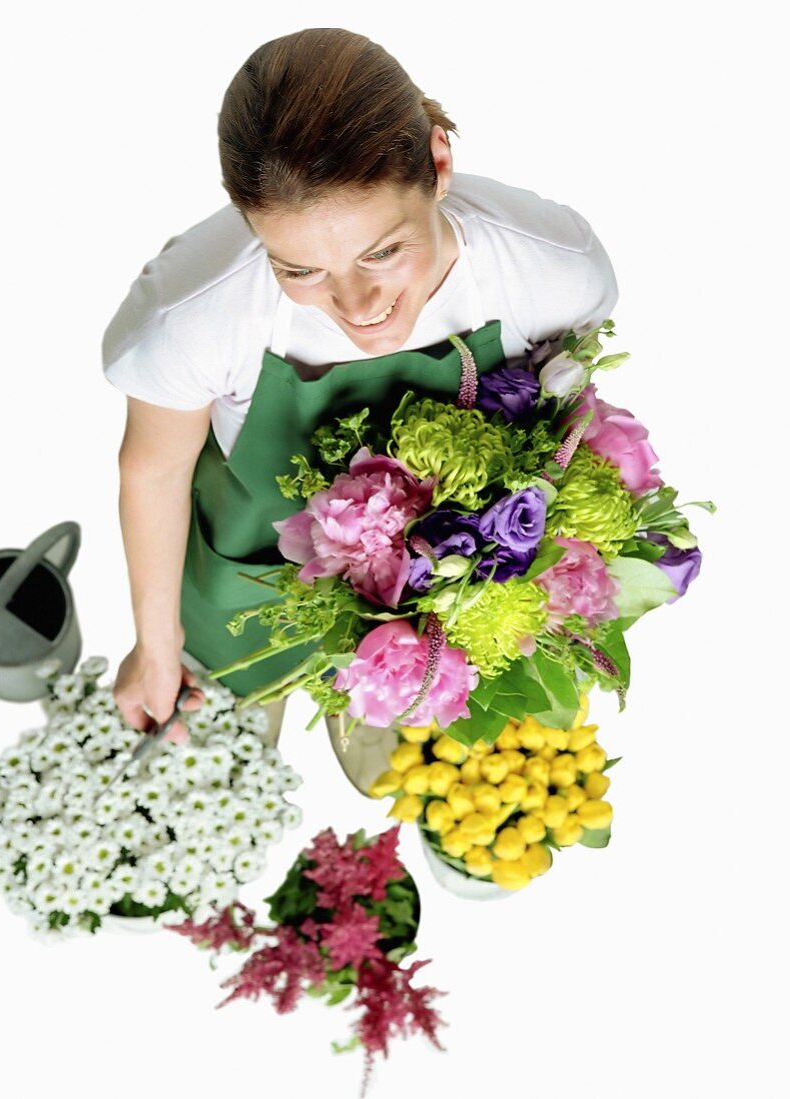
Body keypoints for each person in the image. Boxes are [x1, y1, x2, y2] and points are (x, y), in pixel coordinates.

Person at [102, 27, 618, 794]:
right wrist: (156, 644)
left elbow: (564, 421)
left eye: (382, 251)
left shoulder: (547, 270)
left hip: (445, 579)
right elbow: (154, 471)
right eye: (300, 268)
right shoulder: (194, 315)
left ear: (438, 163)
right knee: (212, 770)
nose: (358, 305)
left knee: (401, 769)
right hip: (249, 576)